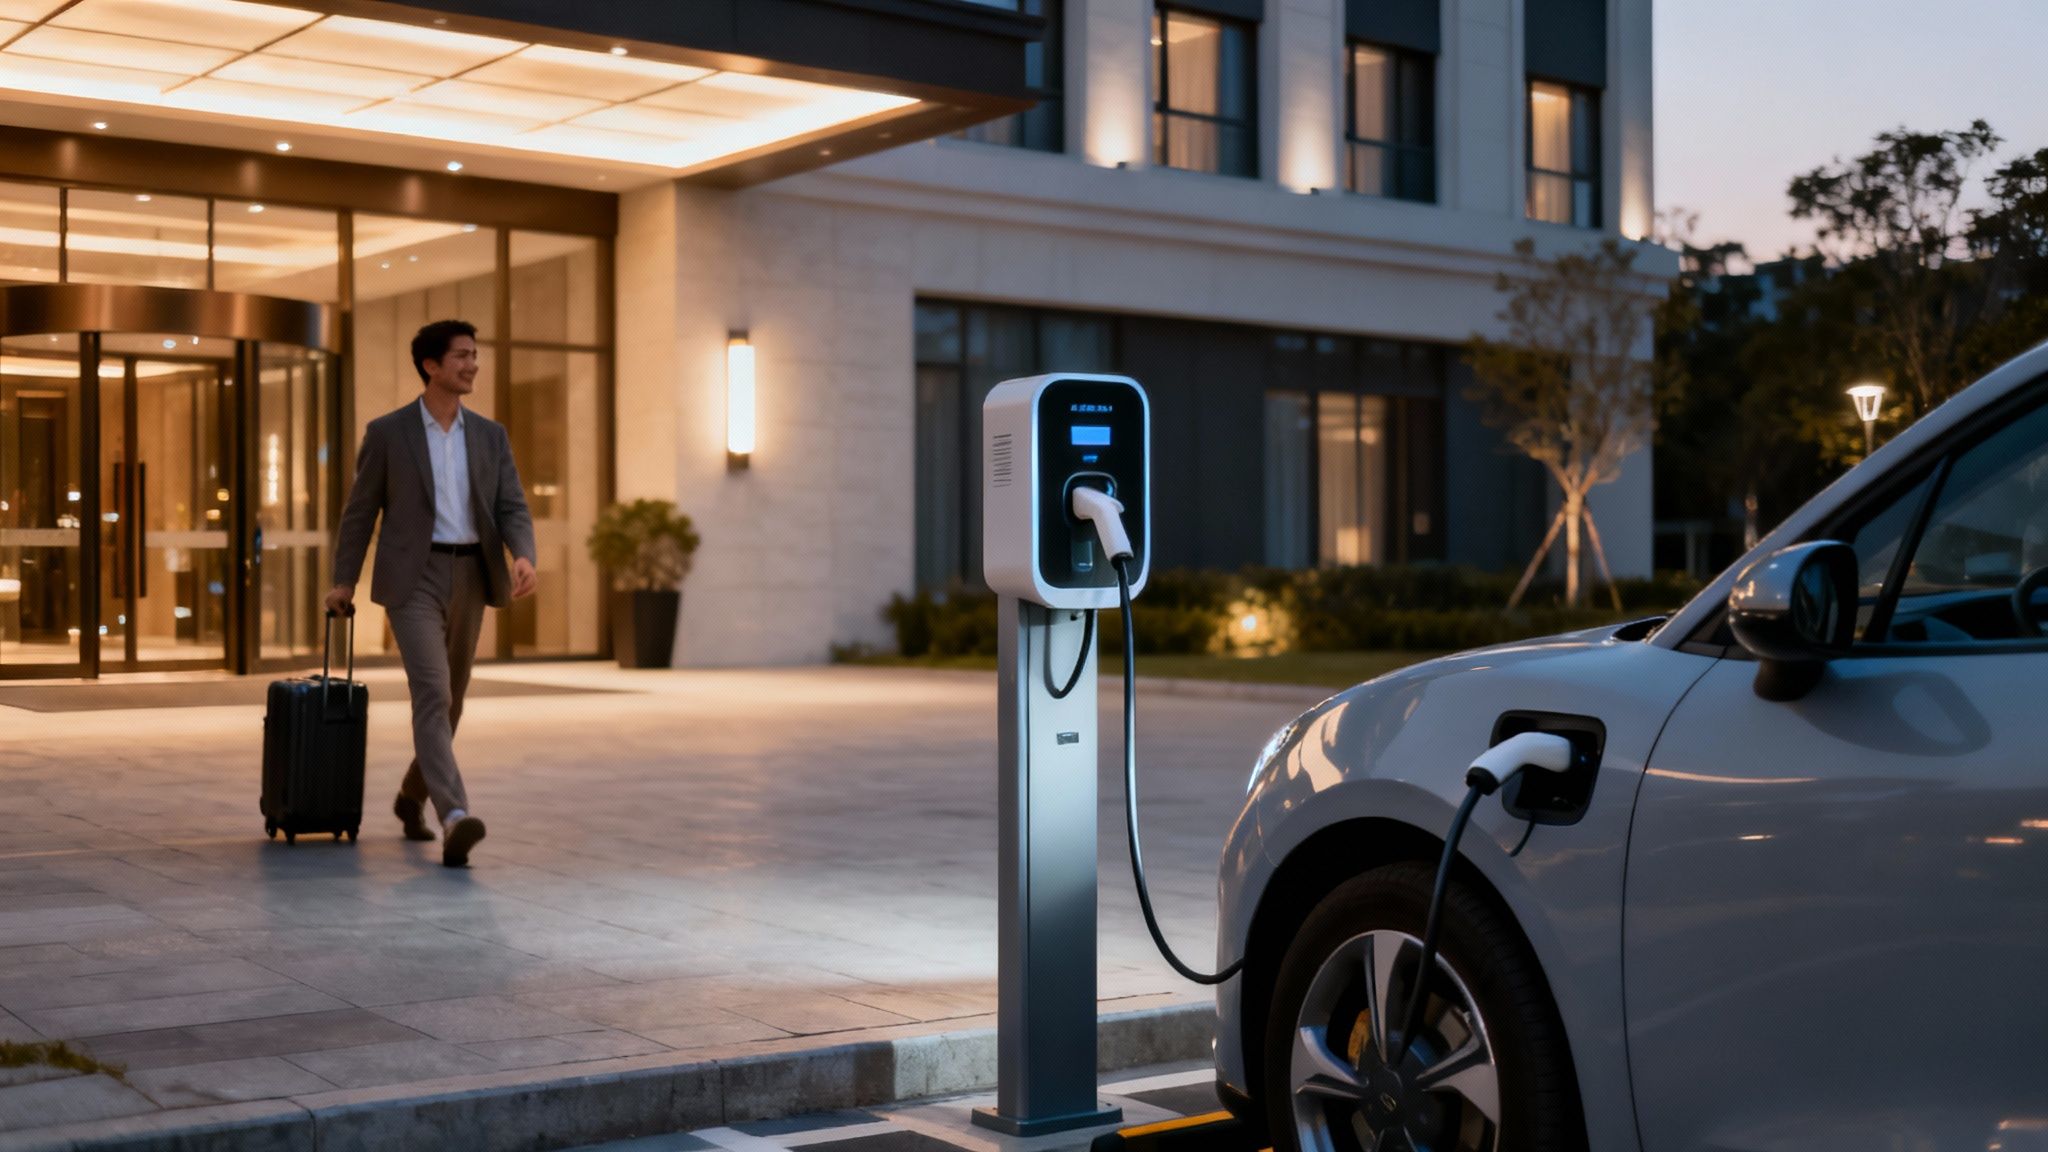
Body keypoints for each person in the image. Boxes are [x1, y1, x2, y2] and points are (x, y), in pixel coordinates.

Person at [326, 319, 537, 868]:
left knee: (454, 702)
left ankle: (409, 797)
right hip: (412, 578)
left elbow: (511, 503)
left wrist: (524, 555)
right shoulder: (389, 433)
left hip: (471, 573)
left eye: (475, 355)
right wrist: (343, 580)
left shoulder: (490, 435)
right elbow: (360, 513)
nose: (472, 365)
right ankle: (455, 816)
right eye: (462, 356)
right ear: (431, 366)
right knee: (433, 694)